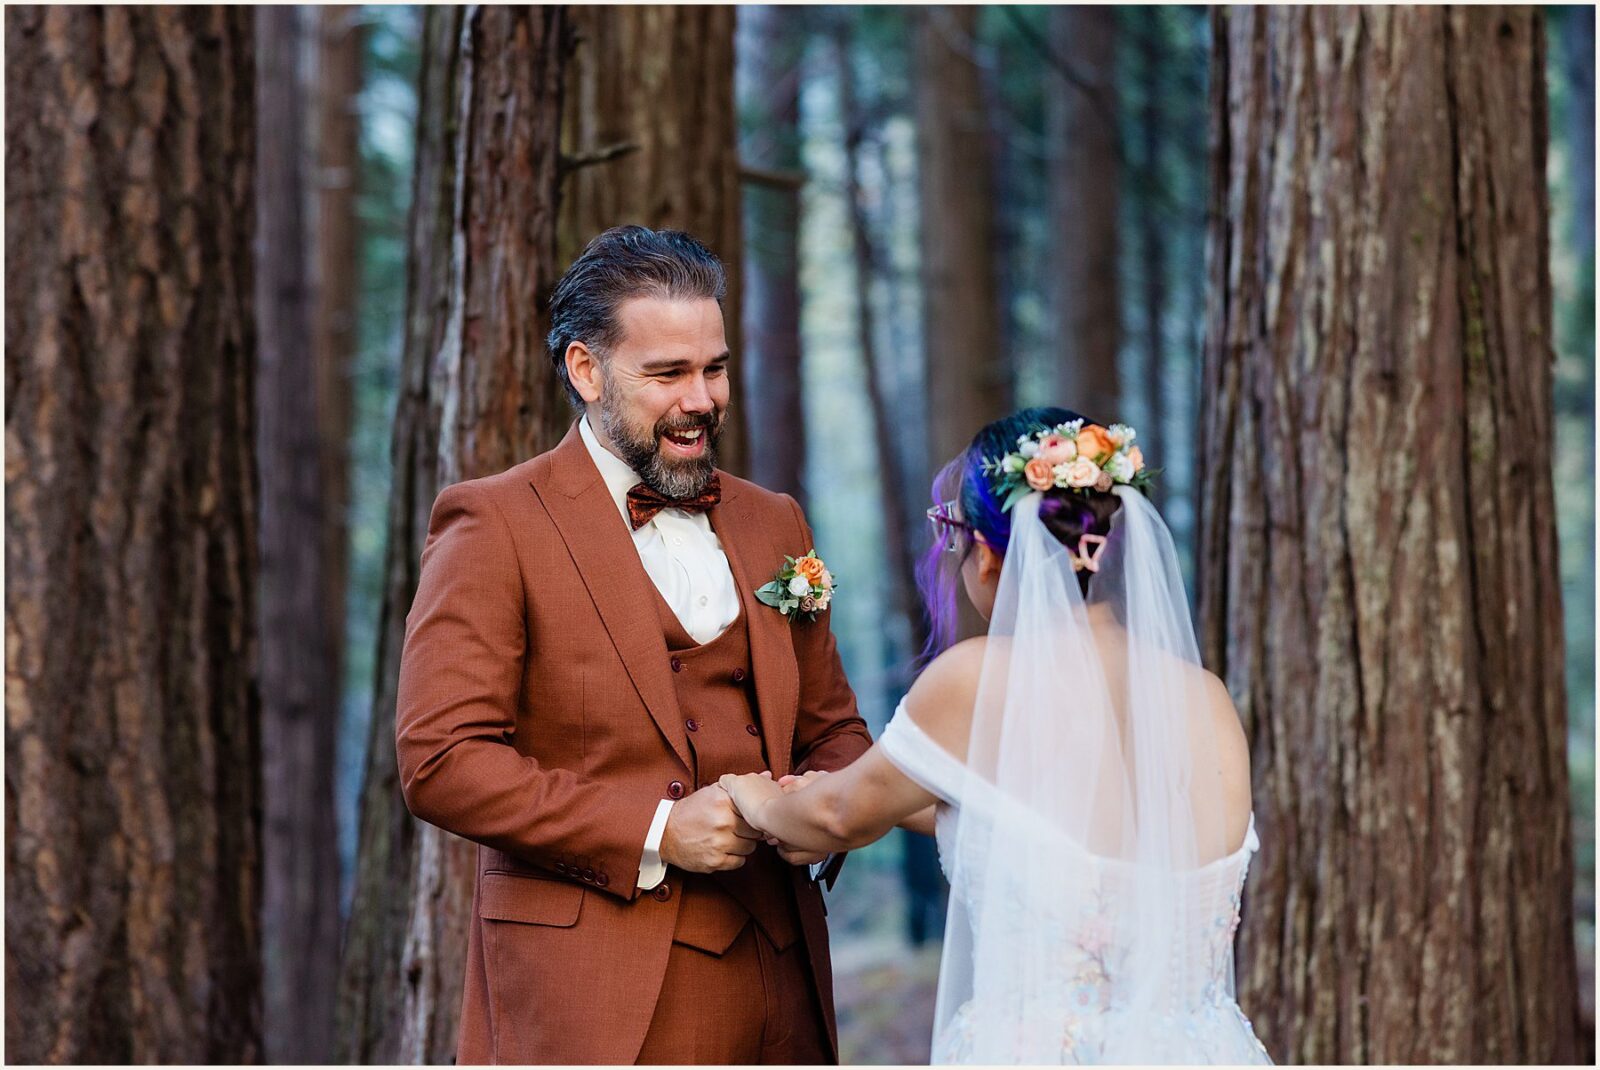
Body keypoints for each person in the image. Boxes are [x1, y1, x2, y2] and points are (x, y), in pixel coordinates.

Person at [395, 225, 872, 1065]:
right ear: (586, 371)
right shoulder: (494, 523)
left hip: (785, 979)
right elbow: (442, 760)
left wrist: (822, 809)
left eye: (714, 368)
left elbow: (834, 729)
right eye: (666, 375)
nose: (701, 400)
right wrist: (654, 829)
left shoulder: (775, 521)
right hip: (595, 994)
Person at [722, 407, 1274, 1064]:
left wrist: (751, 795)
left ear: (986, 555)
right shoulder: (1206, 699)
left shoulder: (979, 680)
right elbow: (1063, 831)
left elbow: (838, 817)